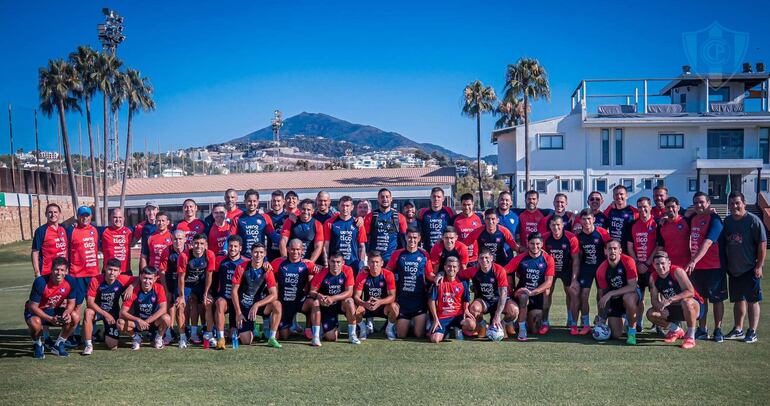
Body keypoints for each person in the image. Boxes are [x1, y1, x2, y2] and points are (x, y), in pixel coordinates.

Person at [721, 191, 765, 343]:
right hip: (734, 269)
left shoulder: (753, 220)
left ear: (744, 203)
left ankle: (752, 331)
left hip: (750, 268)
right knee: (738, 299)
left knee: (752, 300)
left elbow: (762, 243)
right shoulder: (727, 221)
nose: (734, 206)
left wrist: (759, 265)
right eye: (731, 203)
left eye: (737, 203)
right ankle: (738, 329)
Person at [685, 192, 726, 342]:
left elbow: (708, 242)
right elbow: (682, 214)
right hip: (698, 269)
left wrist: (693, 260)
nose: (699, 205)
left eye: (702, 202)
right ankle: (702, 329)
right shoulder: (693, 218)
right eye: (696, 202)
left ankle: (718, 329)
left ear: (709, 203)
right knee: (701, 299)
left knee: (716, 299)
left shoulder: (715, 219)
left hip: (714, 266)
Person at [646, 251, 705, 349]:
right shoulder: (653, 277)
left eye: (663, 263)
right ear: (653, 265)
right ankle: (676, 330)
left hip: (694, 307)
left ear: (669, 263)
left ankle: (690, 337)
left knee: (686, 302)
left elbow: (690, 292)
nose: (660, 266)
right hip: (674, 308)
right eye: (657, 264)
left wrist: (670, 300)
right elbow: (654, 300)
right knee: (651, 313)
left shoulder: (677, 271)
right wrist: (660, 308)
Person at [25, 257, 79, 358]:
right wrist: (50, 319)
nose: (59, 273)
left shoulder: (71, 281)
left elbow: (71, 303)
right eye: (56, 269)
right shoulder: (40, 282)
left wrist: (67, 312)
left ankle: (58, 345)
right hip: (35, 312)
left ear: (66, 271)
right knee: (35, 323)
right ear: (51, 270)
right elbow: (32, 307)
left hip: (53, 311)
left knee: (74, 316)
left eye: (62, 270)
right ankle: (38, 344)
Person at [505, 232, 555, 341]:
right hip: (521, 293)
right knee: (524, 297)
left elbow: (548, 282)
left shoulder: (548, 259)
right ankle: (522, 329)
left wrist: (532, 292)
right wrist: (508, 285)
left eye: (537, 244)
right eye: (532, 243)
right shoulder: (520, 258)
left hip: (536, 295)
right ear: (528, 244)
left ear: (542, 244)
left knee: (536, 329)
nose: (535, 246)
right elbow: (504, 271)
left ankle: (523, 320)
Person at [458, 249, 518, 338]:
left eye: (486, 257)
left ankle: (503, 324)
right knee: (474, 309)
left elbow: (503, 294)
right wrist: (442, 274)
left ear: (491, 258)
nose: (484, 260)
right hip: (484, 301)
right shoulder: (474, 270)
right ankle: (483, 325)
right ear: (478, 259)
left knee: (514, 310)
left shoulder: (499, 270)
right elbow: (457, 275)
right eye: (481, 258)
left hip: (498, 299)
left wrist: (497, 315)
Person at [231, 242, 282, 348]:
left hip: (260, 305)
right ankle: (255, 327)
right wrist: (238, 313)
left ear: (265, 253)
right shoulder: (241, 267)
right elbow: (234, 291)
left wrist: (257, 304)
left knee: (277, 304)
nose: (258, 255)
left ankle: (271, 338)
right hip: (245, 306)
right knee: (246, 341)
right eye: (255, 252)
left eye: (261, 252)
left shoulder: (267, 270)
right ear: (251, 253)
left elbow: (274, 294)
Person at [386, 228, 435, 338]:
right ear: (405, 237)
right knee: (401, 335)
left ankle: (422, 319)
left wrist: (439, 278)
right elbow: (387, 271)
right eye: (409, 237)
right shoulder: (397, 254)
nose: (412, 240)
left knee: (419, 334)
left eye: (414, 237)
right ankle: (404, 323)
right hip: (403, 300)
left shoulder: (424, 255)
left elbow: (429, 274)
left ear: (419, 239)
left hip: (419, 301)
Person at [83, 258, 135, 354]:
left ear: (119, 272)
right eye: (110, 269)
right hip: (98, 311)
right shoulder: (96, 280)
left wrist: (131, 287)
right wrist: (106, 315)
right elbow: (90, 303)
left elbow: (139, 278)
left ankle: (104, 333)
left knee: (112, 346)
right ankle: (88, 345)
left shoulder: (122, 279)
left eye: (115, 270)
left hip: (113, 312)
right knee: (88, 312)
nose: (112, 273)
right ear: (105, 269)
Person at [574, 209, 612, 334]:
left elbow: (610, 249)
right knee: (584, 295)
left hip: (601, 268)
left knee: (601, 294)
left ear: (594, 219)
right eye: (584, 219)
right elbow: (578, 256)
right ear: (580, 221)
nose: (587, 222)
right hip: (586, 268)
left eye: (589, 219)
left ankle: (601, 321)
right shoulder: (578, 236)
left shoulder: (602, 233)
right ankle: (585, 324)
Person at [595, 240, 640, 345]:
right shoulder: (601, 270)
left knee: (628, 298)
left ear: (620, 250)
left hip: (631, 294)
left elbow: (632, 286)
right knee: (615, 334)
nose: (612, 251)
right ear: (605, 251)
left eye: (615, 248)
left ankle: (632, 333)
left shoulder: (628, 261)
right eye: (610, 249)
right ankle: (624, 320)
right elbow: (603, 296)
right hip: (615, 300)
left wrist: (611, 293)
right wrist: (602, 318)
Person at [271, 238, 317, 340]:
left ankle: (309, 329)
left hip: (300, 301)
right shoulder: (278, 262)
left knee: (313, 303)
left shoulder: (307, 264)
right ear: (287, 249)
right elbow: (267, 274)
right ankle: (289, 328)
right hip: (285, 302)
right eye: (292, 249)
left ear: (302, 250)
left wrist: (318, 269)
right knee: (284, 336)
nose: (295, 252)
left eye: (298, 249)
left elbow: (322, 273)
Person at [176, 233, 217, 346]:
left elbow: (209, 275)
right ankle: (183, 337)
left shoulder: (210, 255)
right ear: (192, 244)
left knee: (208, 303)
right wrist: (181, 296)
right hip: (187, 284)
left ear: (206, 245)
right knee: (180, 305)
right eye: (196, 243)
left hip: (201, 284)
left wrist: (206, 293)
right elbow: (181, 277)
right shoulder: (184, 255)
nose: (199, 246)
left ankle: (209, 335)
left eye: (202, 243)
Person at [67, 206, 100, 344]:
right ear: (78, 217)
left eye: (87, 215)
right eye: (82, 215)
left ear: (91, 217)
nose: (85, 218)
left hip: (93, 274)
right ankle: (73, 333)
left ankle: (92, 332)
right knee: (77, 306)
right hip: (77, 274)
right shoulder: (71, 231)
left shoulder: (95, 230)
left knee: (93, 304)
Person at [542, 216, 580, 334]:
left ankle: (572, 322)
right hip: (550, 270)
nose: (556, 228)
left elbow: (576, 260)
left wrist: (574, 279)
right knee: (546, 293)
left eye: (558, 225)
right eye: (553, 225)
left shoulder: (571, 238)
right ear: (550, 226)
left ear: (563, 225)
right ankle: (545, 322)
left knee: (572, 292)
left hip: (566, 269)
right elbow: (541, 257)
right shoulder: (545, 238)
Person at [308, 253, 356, 346]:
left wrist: (333, 298)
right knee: (331, 338)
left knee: (350, 301)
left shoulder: (348, 270)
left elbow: (349, 292)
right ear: (328, 262)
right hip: (327, 305)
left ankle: (352, 335)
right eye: (333, 261)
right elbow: (312, 291)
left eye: (338, 262)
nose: (335, 264)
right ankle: (320, 333)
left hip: (341, 303)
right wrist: (319, 296)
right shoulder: (322, 272)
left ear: (343, 262)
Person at [118, 267, 171, 350]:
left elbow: (163, 309)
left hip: (153, 322)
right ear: (140, 277)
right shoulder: (134, 290)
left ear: (155, 279)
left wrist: (146, 322)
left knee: (166, 318)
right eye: (145, 278)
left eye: (150, 279)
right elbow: (122, 312)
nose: (147, 281)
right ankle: (136, 338)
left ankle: (158, 338)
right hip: (137, 323)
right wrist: (138, 320)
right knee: (120, 323)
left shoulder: (159, 288)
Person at [625, 197, 658, 332]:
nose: (642, 209)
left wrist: (648, 263)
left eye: (645, 206)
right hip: (638, 268)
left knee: (656, 296)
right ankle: (638, 323)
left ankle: (659, 324)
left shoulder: (657, 224)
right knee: (639, 297)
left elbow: (659, 245)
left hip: (653, 268)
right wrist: (638, 263)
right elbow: (630, 246)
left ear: (650, 207)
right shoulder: (632, 224)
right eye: (639, 207)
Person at [211, 235, 249, 349]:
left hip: (239, 302)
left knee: (242, 338)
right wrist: (211, 295)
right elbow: (214, 280)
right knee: (220, 303)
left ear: (240, 248)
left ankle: (237, 329)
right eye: (230, 246)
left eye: (235, 246)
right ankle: (220, 337)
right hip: (225, 299)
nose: (232, 248)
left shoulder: (246, 262)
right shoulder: (220, 261)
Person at [354, 252, 399, 341]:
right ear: (368, 263)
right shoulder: (362, 274)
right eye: (372, 262)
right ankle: (363, 329)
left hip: (383, 306)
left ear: (382, 263)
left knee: (395, 307)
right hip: (368, 306)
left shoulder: (388, 274)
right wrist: (364, 303)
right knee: (353, 308)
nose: (375, 265)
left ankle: (389, 329)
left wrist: (379, 302)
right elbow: (356, 296)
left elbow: (392, 297)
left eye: (377, 262)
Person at [428, 256, 473, 343]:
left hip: (458, 316)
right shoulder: (439, 282)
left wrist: (466, 309)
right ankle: (449, 332)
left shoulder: (463, 283)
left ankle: (457, 329)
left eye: (454, 266)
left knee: (471, 324)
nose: (451, 269)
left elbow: (466, 299)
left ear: (458, 268)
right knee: (435, 339)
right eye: (449, 266)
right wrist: (435, 319)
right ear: (444, 267)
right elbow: (431, 301)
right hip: (443, 317)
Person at [324, 195, 367, 274]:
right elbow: (326, 246)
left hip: (353, 263)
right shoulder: (329, 223)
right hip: (335, 264)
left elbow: (362, 246)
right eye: (342, 205)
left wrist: (361, 263)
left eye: (347, 206)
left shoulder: (358, 224)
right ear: (338, 206)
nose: (345, 208)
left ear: (352, 207)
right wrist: (326, 263)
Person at [159, 230, 188, 347]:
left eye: (180, 239)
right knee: (168, 303)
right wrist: (166, 291)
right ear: (171, 240)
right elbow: (162, 272)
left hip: (184, 281)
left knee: (181, 306)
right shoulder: (166, 251)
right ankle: (169, 331)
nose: (178, 241)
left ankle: (183, 335)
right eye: (175, 239)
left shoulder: (189, 250)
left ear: (185, 239)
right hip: (170, 280)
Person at [363, 188, 408, 263]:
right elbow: (365, 240)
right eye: (382, 197)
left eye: (387, 197)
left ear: (391, 199)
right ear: (378, 199)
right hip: (374, 261)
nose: (385, 199)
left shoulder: (400, 217)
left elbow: (405, 240)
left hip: (393, 260)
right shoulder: (370, 217)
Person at [280, 199, 324, 263]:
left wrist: (310, 262)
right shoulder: (291, 221)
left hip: (307, 261)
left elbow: (318, 246)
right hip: (291, 261)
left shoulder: (317, 224)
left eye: (308, 210)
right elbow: (283, 241)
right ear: (299, 209)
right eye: (303, 209)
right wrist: (285, 258)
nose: (305, 212)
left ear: (313, 211)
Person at [236, 189, 277, 259]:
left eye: (254, 201)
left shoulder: (265, 217)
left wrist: (287, 242)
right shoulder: (237, 218)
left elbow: (274, 236)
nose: (252, 203)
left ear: (258, 202)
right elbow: (231, 239)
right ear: (245, 201)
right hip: (243, 258)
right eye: (249, 201)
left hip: (260, 258)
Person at [31, 203, 68, 278]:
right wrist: (37, 272)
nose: (53, 214)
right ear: (46, 214)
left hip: (63, 272)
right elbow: (35, 252)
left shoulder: (64, 228)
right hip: (47, 272)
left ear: (59, 214)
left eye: (55, 212)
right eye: (50, 212)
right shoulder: (41, 231)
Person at [656, 197, 691, 269]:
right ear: (665, 209)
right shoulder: (661, 225)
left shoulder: (687, 221)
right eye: (668, 207)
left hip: (686, 265)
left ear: (678, 207)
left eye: (673, 206)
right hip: (669, 265)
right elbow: (660, 246)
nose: (670, 209)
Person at [418, 187, 455, 252]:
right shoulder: (422, 212)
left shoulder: (450, 211)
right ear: (430, 197)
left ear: (443, 198)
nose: (436, 199)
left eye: (439, 197)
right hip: (428, 250)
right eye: (434, 196)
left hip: (445, 251)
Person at [451, 193, 484, 266]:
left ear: (473, 204)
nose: (466, 207)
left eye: (469, 205)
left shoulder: (480, 218)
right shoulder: (455, 219)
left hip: (475, 259)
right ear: (461, 204)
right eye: (464, 205)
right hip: (460, 257)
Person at [603, 185, 638, 251]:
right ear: (613, 197)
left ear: (626, 196)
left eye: (621, 194)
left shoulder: (634, 211)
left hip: (629, 249)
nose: (619, 196)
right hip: (614, 249)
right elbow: (600, 220)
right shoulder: (610, 210)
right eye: (616, 194)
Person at [100, 208, 134, 275]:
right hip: (109, 272)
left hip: (125, 271)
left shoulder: (129, 231)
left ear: (123, 219)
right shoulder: (103, 231)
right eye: (115, 217)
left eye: (120, 217)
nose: (118, 220)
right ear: (110, 218)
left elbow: (142, 228)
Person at [495, 191, 520, 261]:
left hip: (509, 254)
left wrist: (518, 250)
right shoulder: (492, 215)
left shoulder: (515, 217)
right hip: (493, 254)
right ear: (498, 201)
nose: (504, 202)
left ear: (511, 202)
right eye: (502, 199)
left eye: (507, 200)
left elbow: (517, 236)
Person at [135, 201, 159, 270]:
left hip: (160, 258)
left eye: (153, 209)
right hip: (145, 259)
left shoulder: (164, 225)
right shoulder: (141, 226)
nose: (151, 212)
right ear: (145, 211)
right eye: (149, 210)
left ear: (158, 211)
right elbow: (132, 242)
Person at [266, 190, 289, 260]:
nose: (276, 203)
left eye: (278, 201)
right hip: (270, 256)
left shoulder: (288, 217)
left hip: (286, 255)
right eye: (274, 201)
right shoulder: (266, 216)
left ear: (283, 202)